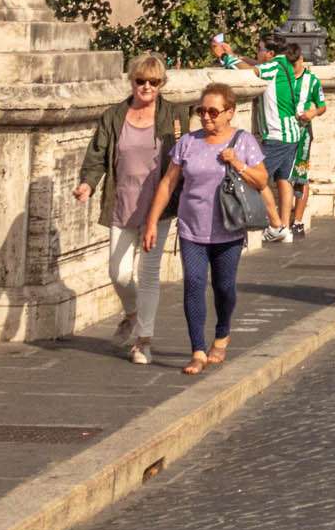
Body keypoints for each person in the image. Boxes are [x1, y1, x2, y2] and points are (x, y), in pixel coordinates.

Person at [140, 82, 271, 378]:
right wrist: (151, 221)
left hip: (228, 228)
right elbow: (168, 183)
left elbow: (261, 181)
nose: (207, 117)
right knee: (194, 285)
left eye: (213, 111)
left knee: (224, 287)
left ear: (229, 112)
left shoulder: (243, 141)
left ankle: (222, 333)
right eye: (202, 111)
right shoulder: (188, 142)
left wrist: (236, 162)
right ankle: (197, 350)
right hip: (191, 228)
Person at [80, 57, 182, 364]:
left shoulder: (174, 117)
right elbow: (97, 154)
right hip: (121, 201)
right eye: (141, 81)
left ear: (162, 85)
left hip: (158, 207)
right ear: (132, 82)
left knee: (148, 274)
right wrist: (88, 183)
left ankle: (144, 341)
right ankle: (134, 313)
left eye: (154, 82)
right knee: (119, 272)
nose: (147, 87)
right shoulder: (114, 115)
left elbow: (183, 159)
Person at [257, 37, 327, 245]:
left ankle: (292, 222)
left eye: (297, 63)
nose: (295, 66)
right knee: (284, 179)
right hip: (290, 133)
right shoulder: (285, 70)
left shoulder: (310, 80)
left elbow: (322, 106)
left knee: (298, 176)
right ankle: (285, 226)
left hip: (298, 134)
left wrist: (312, 112)